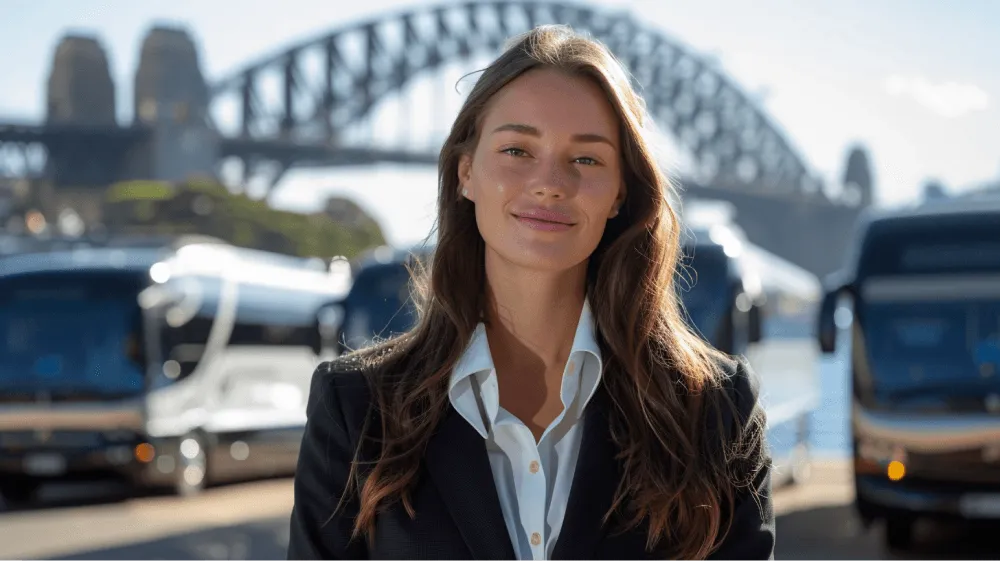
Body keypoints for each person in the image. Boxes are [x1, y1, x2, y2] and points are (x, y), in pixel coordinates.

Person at [287, 24, 774, 561]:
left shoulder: (714, 412)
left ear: (620, 192)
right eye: (517, 150)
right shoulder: (355, 408)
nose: (550, 183)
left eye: (586, 159)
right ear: (465, 173)